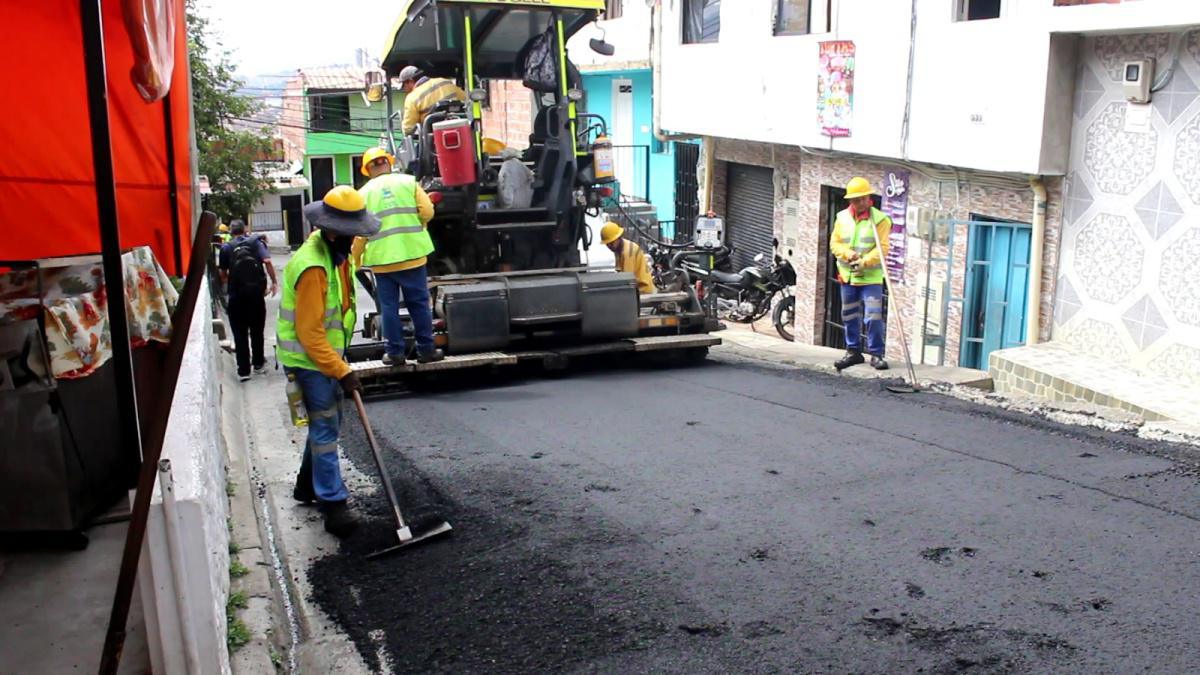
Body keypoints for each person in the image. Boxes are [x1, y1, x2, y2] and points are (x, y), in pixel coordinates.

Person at [277, 186, 379, 537]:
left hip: (326, 357)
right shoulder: (313, 268)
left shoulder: (336, 254)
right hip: (310, 361)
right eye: (352, 234)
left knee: (327, 427)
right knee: (324, 430)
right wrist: (342, 371)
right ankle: (334, 506)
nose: (356, 240)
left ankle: (307, 487)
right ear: (333, 229)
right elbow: (309, 334)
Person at [351, 147, 444, 365]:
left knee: (389, 307)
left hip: (383, 262)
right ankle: (426, 351)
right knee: (419, 305)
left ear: (367, 169)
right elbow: (428, 212)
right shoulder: (408, 182)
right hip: (412, 255)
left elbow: (360, 234)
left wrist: (355, 260)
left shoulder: (362, 195)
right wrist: (417, 225)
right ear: (389, 163)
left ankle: (394, 353)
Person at [830, 177, 891, 371]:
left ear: (869, 197)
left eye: (863, 199)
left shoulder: (880, 220)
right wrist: (848, 254)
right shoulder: (841, 218)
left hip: (870, 278)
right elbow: (835, 243)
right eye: (856, 200)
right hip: (847, 276)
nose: (860, 203)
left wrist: (864, 262)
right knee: (849, 315)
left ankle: (876, 354)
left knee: (873, 316)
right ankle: (853, 351)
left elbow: (883, 248)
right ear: (850, 201)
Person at [219, 220, 278, 382]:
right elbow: (267, 262)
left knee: (240, 333)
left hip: (236, 297)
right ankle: (258, 365)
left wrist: (231, 285)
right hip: (256, 296)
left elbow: (222, 275)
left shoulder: (226, 248)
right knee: (257, 331)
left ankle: (244, 371)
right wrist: (273, 282)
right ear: (245, 230)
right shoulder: (256, 243)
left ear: (231, 231)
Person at [398, 65, 466, 135]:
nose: (404, 89)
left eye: (404, 85)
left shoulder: (412, 98)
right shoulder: (445, 82)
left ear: (410, 81)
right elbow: (466, 100)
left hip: (432, 137)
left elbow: (408, 129)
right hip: (459, 130)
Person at [600, 221, 655, 294]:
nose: (609, 246)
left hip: (642, 290)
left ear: (618, 238)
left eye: (611, 243)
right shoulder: (619, 248)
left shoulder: (627, 253)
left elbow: (627, 281)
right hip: (637, 288)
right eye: (607, 244)